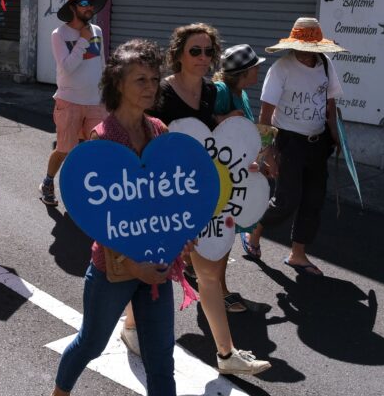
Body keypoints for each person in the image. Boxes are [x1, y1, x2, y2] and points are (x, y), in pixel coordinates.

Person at [53, 39, 192, 396]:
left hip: (158, 262)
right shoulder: (102, 140)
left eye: (153, 79)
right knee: (90, 344)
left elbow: (171, 196)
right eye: (140, 80)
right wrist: (132, 266)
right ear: (118, 84)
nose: (150, 87)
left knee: (161, 357)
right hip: (113, 267)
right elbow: (98, 217)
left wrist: (181, 233)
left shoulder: (159, 130)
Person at [148, 23, 271, 376]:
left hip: (203, 194)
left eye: (208, 52)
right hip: (165, 195)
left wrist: (240, 151)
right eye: (195, 51)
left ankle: (226, 354)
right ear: (179, 54)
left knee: (211, 276)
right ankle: (129, 326)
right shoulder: (162, 92)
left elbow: (215, 137)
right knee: (149, 269)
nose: (203, 58)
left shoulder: (212, 92)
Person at [241, 18, 344, 277]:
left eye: (310, 46)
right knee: (287, 199)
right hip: (289, 142)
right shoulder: (281, 69)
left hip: (318, 142)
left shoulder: (325, 65)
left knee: (314, 198)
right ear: (293, 44)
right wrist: (268, 153)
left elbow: (331, 106)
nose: (305, 51)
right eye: (301, 45)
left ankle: (297, 254)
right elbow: (265, 115)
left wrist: (336, 135)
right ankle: (255, 232)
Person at [40, 0, 108, 207]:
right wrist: (82, 40)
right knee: (64, 148)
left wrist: (107, 92)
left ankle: (84, 189)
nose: (89, 8)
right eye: (84, 2)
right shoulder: (59, 34)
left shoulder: (96, 30)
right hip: (69, 101)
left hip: (96, 102)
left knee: (94, 151)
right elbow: (67, 67)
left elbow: (101, 63)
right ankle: (48, 182)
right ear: (73, 6)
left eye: (91, 2)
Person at [211, 43, 265, 313]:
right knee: (224, 232)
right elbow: (204, 123)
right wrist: (225, 117)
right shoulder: (222, 91)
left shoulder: (240, 92)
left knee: (226, 232)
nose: (259, 70)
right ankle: (218, 289)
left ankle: (210, 280)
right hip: (221, 174)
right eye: (256, 67)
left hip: (237, 170)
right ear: (244, 72)